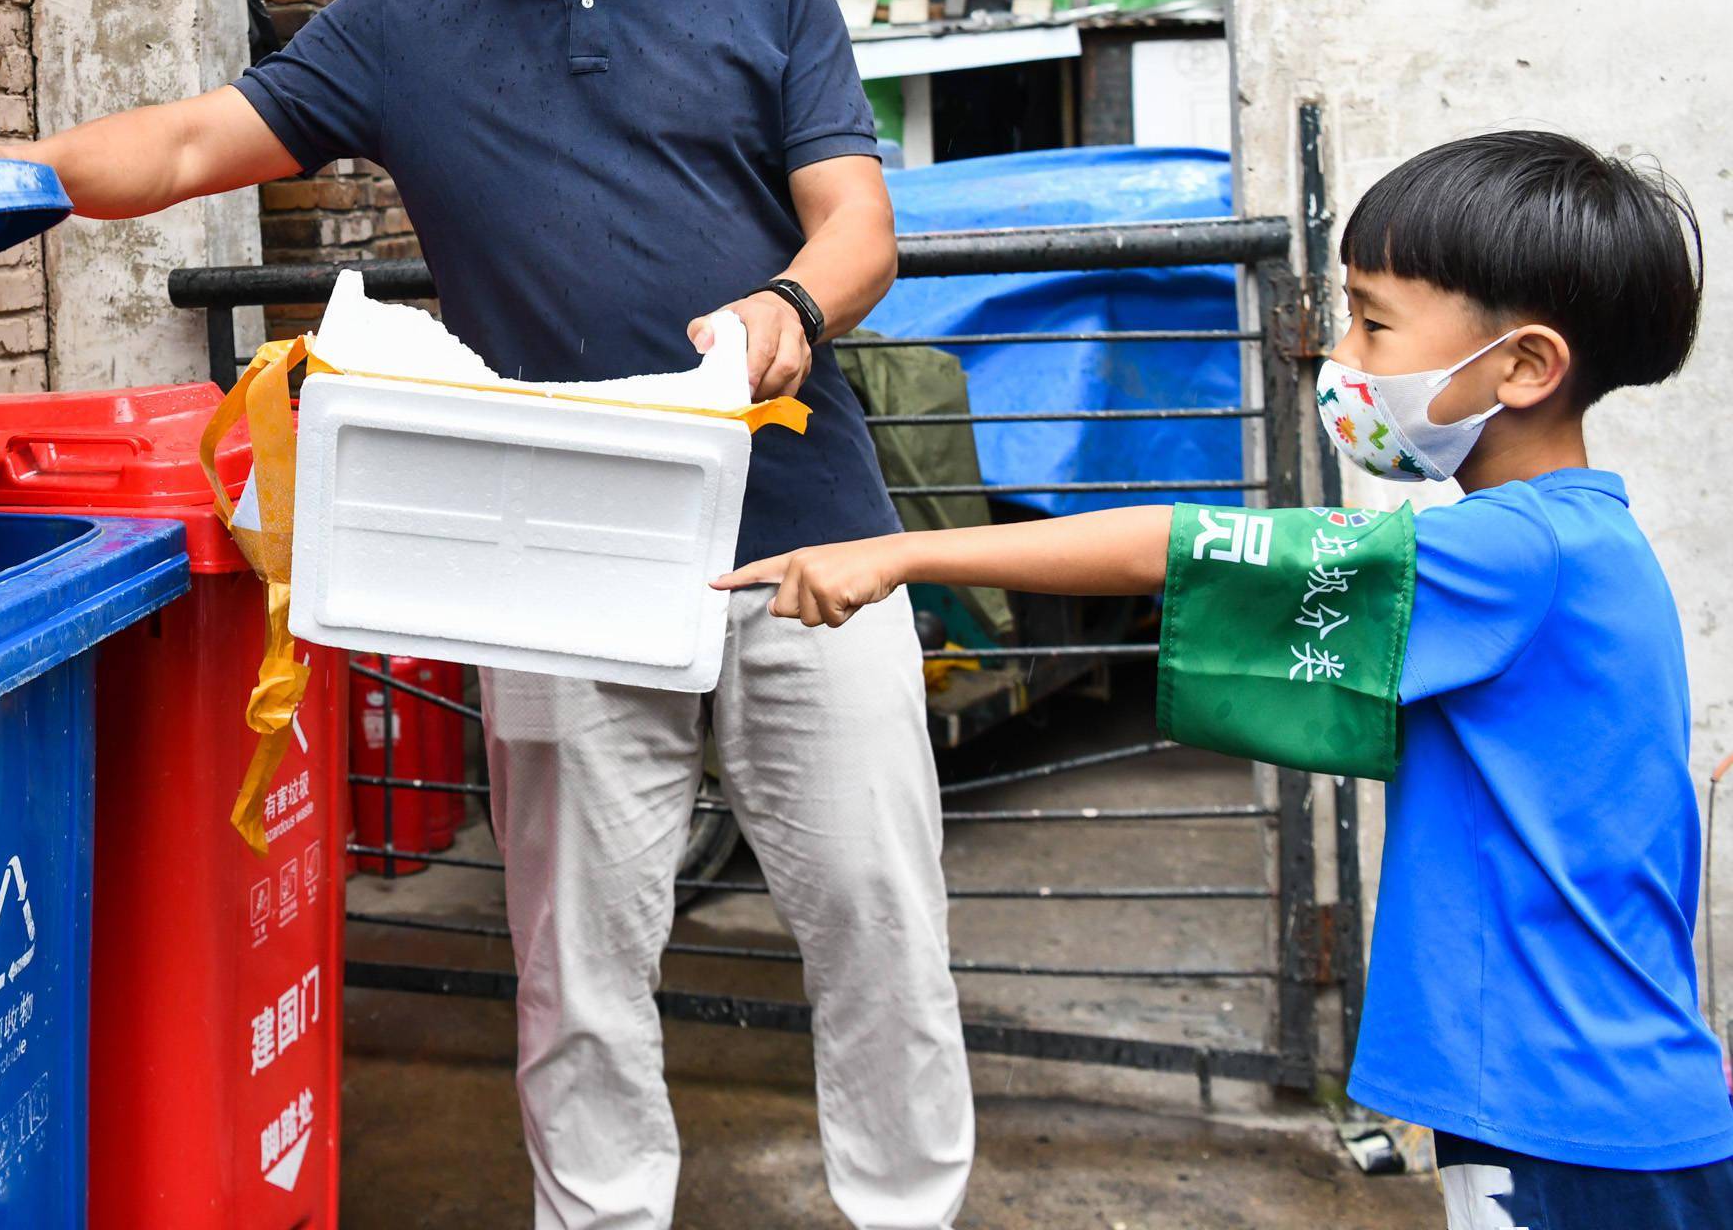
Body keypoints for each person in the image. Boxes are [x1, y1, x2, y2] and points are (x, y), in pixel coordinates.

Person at [0, 0, 972, 1229]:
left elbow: (858, 223)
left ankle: (907, 1212)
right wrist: (10, 174)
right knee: (575, 961)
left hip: (806, 537)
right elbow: (206, 133)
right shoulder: (406, 22)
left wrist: (791, 310)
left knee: (881, 926)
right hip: (557, 551)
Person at [725, 131, 1732, 1230]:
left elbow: (1194, 546)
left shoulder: (1515, 554)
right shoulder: (1565, 540)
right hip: (1576, 1085)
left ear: (1526, 366)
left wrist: (901, 552)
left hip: (1567, 1106)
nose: (1341, 353)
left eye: (1373, 321)